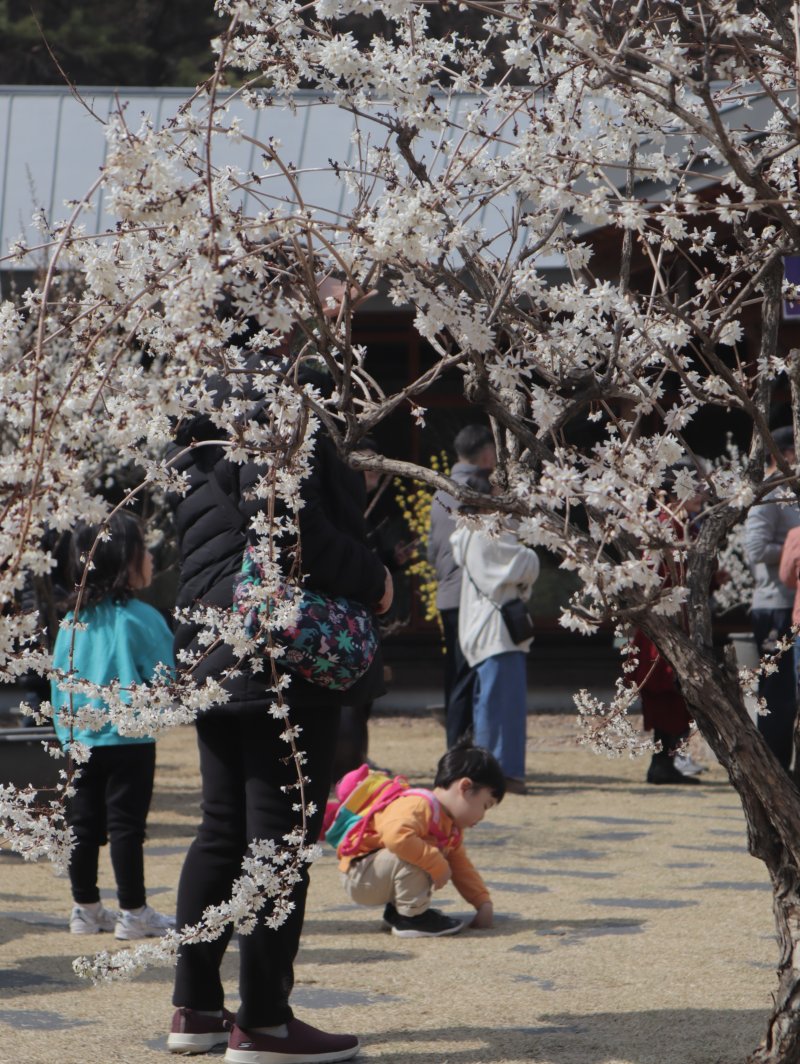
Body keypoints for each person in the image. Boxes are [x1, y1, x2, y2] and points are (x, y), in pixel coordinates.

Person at [166, 351, 392, 1061]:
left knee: (221, 830)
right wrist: (376, 578)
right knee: (279, 839)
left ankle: (196, 1009)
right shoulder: (283, 411)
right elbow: (295, 532)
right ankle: (264, 1021)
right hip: (280, 650)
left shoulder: (194, 430)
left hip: (211, 641)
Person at [50, 512, 176, 939]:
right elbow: (165, 680)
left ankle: (85, 909)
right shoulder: (143, 618)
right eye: (145, 550)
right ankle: (133, 912)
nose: (152, 558)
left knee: (82, 826)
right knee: (126, 827)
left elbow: (58, 684)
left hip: (79, 738)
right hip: (130, 738)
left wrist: (65, 734)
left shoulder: (71, 622)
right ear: (126, 560)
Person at [338, 743, 503, 937]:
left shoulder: (450, 828)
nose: (482, 816)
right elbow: (396, 837)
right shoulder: (418, 805)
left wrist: (482, 902)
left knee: (428, 853)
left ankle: (398, 913)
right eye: (485, 805)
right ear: (465, 787)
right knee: (423, 853)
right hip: (360, 875)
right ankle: (412, 918)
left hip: (376, 873)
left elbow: (461, 867)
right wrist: (436, 862)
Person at [449, 474, 539, 794]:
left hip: (485, 628)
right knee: (502, 707)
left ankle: (493, 771)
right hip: (495, 632)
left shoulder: (467, 533)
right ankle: (501, 773)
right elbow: (525, 562)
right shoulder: (485, 533)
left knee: (491, 704)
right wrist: (530, 552)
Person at [427, 425, 497, 748]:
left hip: (447, 594)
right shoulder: (479, 489)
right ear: (487, 454)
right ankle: (461, 752)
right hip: (471, 595)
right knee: (470, 678)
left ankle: (457, 749)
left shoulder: (440, 491)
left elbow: (431, 552)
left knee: (455, 675)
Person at [745, 426, 800, 770]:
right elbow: (756, 549)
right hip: (775, 605)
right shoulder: (768, 494)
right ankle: (774, 771)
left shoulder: (792, 491)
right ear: (784, 454)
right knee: (777, 696)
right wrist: (794, 550)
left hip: (793, 604)